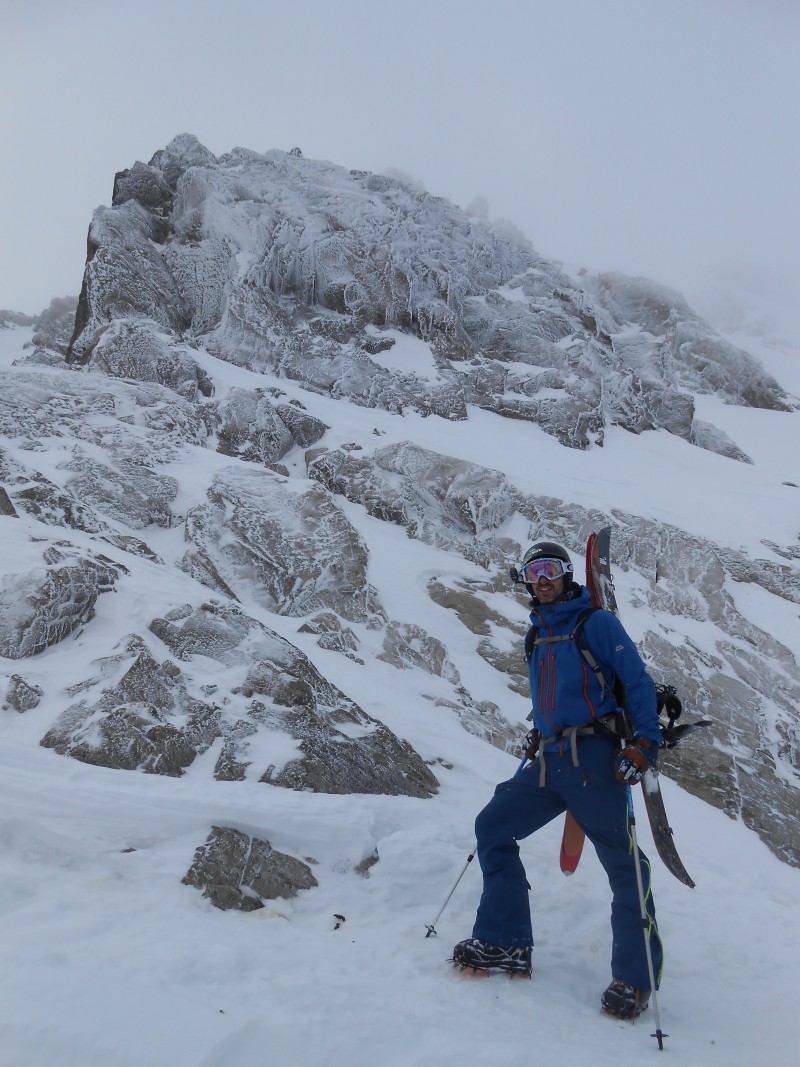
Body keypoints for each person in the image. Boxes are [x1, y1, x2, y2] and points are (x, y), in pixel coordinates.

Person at [452, 540, 663, 1020]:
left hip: (593, 758)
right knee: (493, 825)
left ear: (567, 575)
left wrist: (645, 743)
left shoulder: (596, 624)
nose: (541, 578)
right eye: (533, 571)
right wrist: (540, 732)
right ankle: (505, 942)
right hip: (548, 758)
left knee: (624, 864)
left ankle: (635, 979)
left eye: (550, 569)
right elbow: (558, 695)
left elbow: (637, 681)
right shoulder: (536, 635)